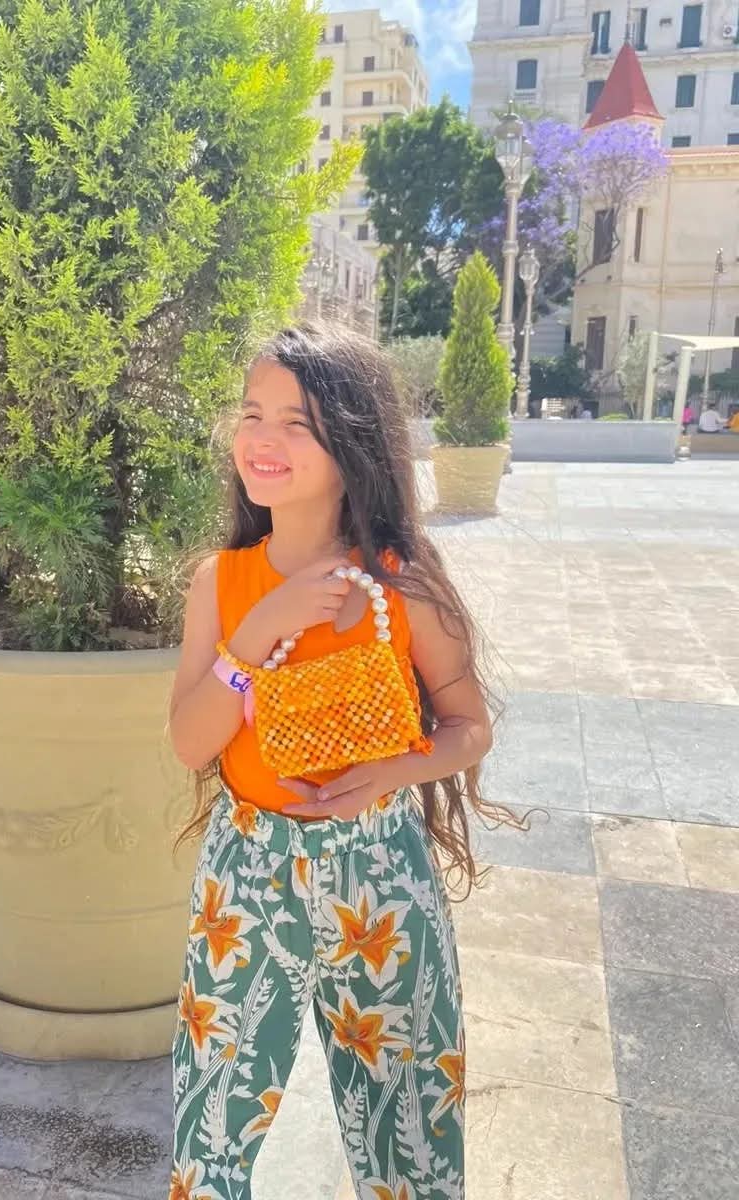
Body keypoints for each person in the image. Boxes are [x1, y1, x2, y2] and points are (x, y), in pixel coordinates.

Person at [168, 323, 520, 1200]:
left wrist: (396, 772)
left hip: (380, 875)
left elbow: (469, 727)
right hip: (245, 875)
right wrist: (258, 632)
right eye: (253, 413)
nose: (263, 438)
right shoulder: (221, 583)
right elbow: (190, 741)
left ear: (352, 443)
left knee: (410, 1128)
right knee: (211, 1124)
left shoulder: (399, 582)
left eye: (298, 423)